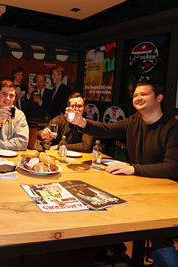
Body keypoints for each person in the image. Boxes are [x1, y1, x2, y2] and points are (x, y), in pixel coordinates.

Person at [68, 80, 178, 266]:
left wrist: (132, 168)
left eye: (144, 94)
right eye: (135, 95)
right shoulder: (133, 122)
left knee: (159, 239)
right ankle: (114, 247)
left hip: (164, 196)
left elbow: (172, 167)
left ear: (159, 98)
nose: (138, 98)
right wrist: (82, 122)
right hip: (137, 188)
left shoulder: (172, 128)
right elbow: (107, 130)